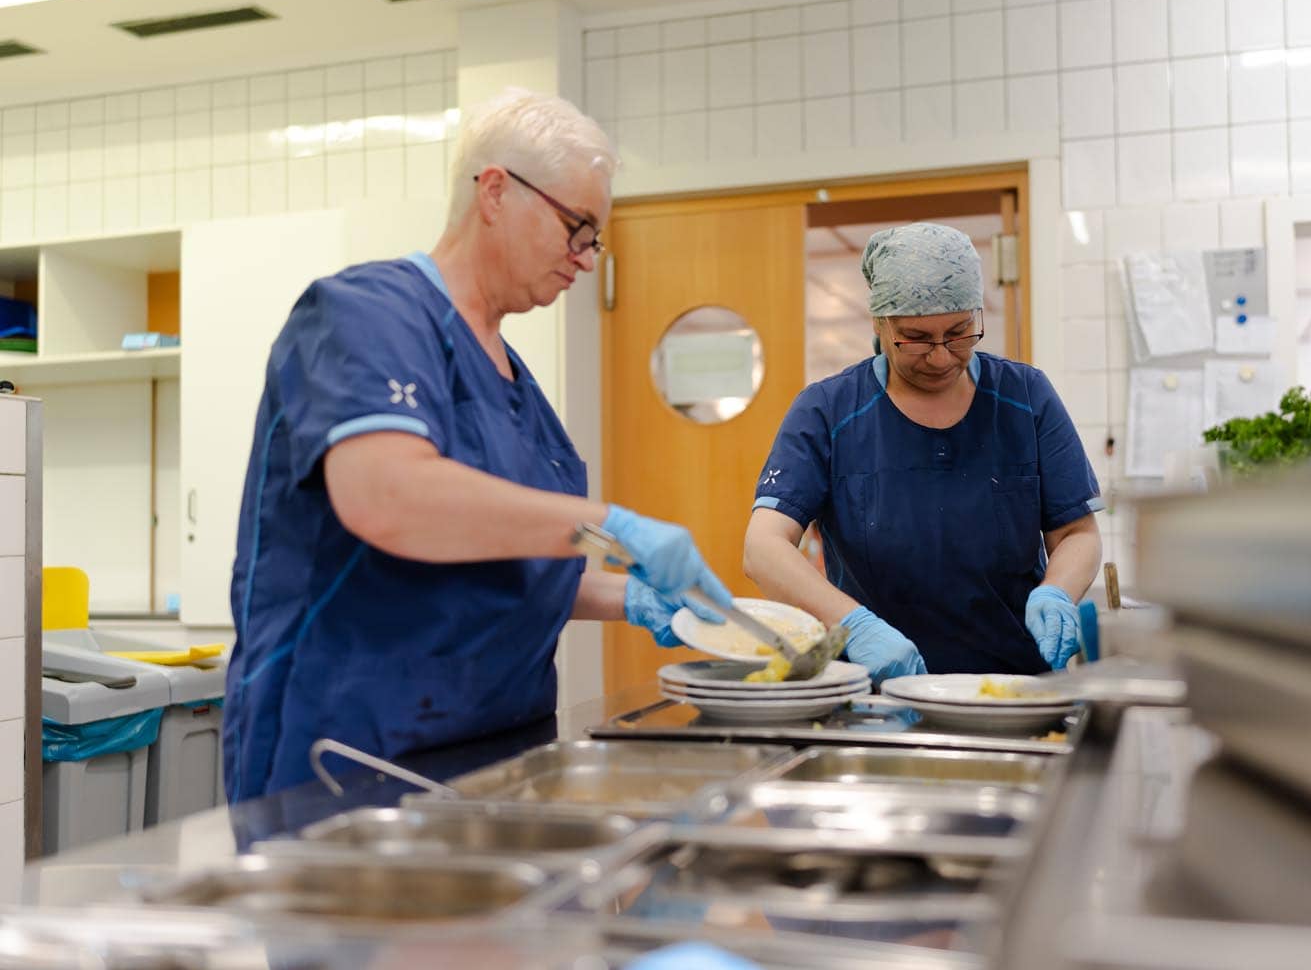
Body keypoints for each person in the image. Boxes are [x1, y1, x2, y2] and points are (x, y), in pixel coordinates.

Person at [223, 89, 730, 802]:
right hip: (349, 757)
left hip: (500, 758)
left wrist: (642, 599)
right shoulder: (367, 316)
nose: (586, 260)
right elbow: (389, 496)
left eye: (595, 240)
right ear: (496, 191)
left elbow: (510, 568)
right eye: (577, 228)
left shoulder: (518, 384)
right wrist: (609, 525)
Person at [744, 222, 1103, 682]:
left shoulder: (1025, 397)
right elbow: (762, 547)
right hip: (878, 689)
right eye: (915, 338)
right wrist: (853, 626)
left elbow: (1077, 532)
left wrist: (1056, 592)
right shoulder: (828, 410)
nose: (940, 357)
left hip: (1012, 689)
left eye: (958, 333)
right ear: (879, 322)